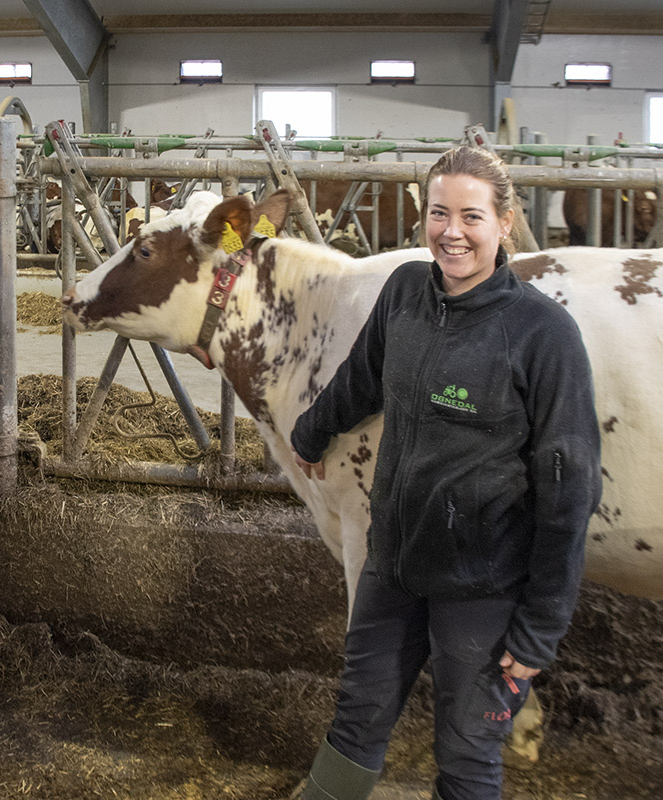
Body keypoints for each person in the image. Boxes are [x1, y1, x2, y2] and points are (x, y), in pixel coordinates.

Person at [288, 146, 601, 800]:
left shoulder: (543, 335)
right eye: (438, 213)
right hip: (394, 567)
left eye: (471, 216)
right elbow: (362, 377)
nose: (451, 232)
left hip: (483, 589)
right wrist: (312, 430)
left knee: (466, 755)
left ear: (505, 223)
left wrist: (540, 629)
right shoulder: (405, 292)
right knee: (355, 722)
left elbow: (569, 492)